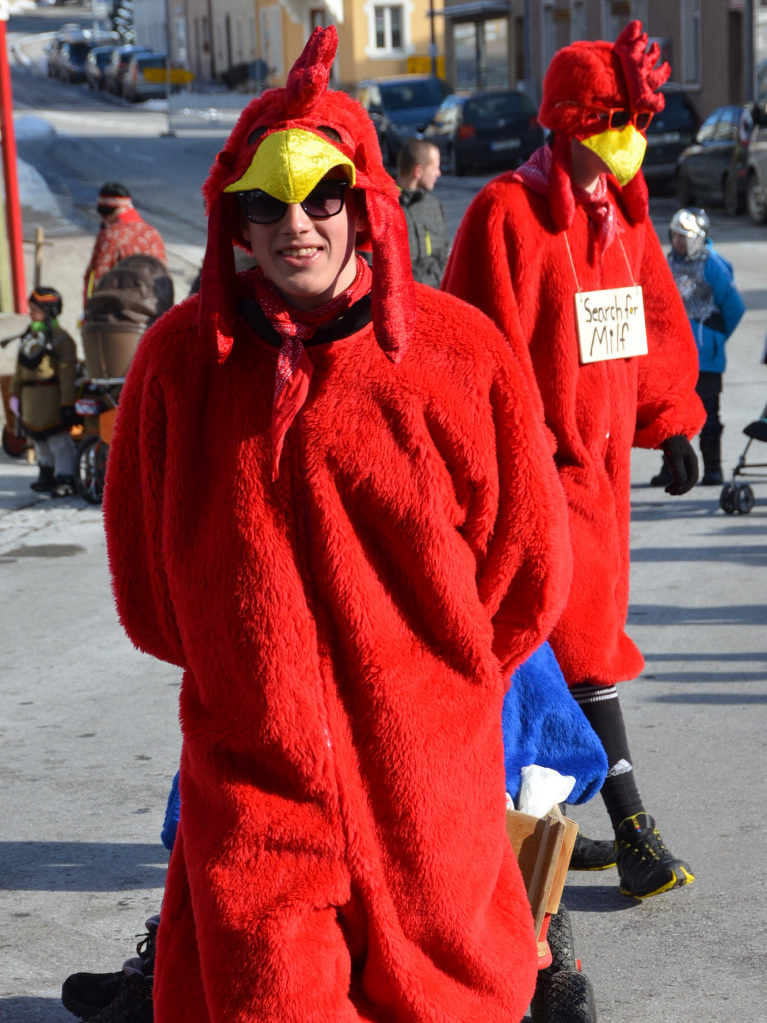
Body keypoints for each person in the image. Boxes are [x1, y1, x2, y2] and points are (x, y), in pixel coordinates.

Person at [103, 26, 573, 1023]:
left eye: (321, 196)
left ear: (364, 205)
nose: (296, 225)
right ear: (234, 220)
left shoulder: (458, 356)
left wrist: (427, 692)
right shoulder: (179, 372)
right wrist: (254, 685)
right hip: (257, 800)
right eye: (266, 204)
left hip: (427, 796)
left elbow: (525, 571)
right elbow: (152, 601)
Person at [443, 20, 706, 900]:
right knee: (575, 643)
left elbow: (654, 325)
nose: (635, 136)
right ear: (574, 123)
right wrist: (505, 463)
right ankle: (634, 828)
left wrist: (673, 422)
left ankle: (543, 826)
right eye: (620, 119)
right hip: (535, 476)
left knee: (555, 655)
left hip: (603, 482)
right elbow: (476, 349)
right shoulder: (506, 215)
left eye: (639, 117)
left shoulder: (623, 219)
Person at [651, 207, 745, 487]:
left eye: (686, 236)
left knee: (708, 412)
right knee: (670, 411)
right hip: (674, 354)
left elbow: (734, 307)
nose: (680, 242)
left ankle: (713, 469)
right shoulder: (668, 263)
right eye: (676, 235)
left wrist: (715, 336)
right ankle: (671, 469)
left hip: (706, 355)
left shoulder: (711, 264)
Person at [10, 287, 78, 497]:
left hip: (51, 398)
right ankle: (46, 473)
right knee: (39, 442)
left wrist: (67, 403)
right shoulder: (29, 338)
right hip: (31, 402)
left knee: (58, 442)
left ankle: (65, 476)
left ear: (49, 311)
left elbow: (67, 374)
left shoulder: (60, 339)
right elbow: (19, 370)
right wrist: (15, 393)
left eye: (35, 310)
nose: (30, 314)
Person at [83, 183, 166, 304]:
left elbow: (97, 277)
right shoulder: (153, 233)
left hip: (120, 311)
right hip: (156, 307)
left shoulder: (110, 234)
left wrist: (89, 310)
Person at [396, 137, 450, 286]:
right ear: (418, 171)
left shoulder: (434, 206)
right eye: (435, 167)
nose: (438, 173)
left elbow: (445, 258)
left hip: (436, 300)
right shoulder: (385, 209)